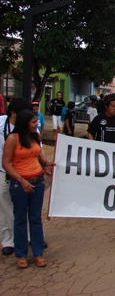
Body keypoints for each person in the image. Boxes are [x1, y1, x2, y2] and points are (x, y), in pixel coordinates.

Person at [2, 109, 54, 268]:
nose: (37, 124)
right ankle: (21, 254)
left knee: (35, 218)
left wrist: (45, 165)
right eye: (33, 122)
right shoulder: (12, 139)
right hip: (19, 184)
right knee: (20, 219)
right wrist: (21, 180)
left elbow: (38, 154)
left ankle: (38, 253)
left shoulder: (35, 137)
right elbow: (6, 163)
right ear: (25, 123)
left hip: (37, 182)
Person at [0, 98, 33, 257]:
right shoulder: (1, 124)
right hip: (2, 172)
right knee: (5, 208)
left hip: (26, 174)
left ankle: (29, 236)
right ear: (13, 113)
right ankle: (8, 241)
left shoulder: (29, 126)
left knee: (28, 208)